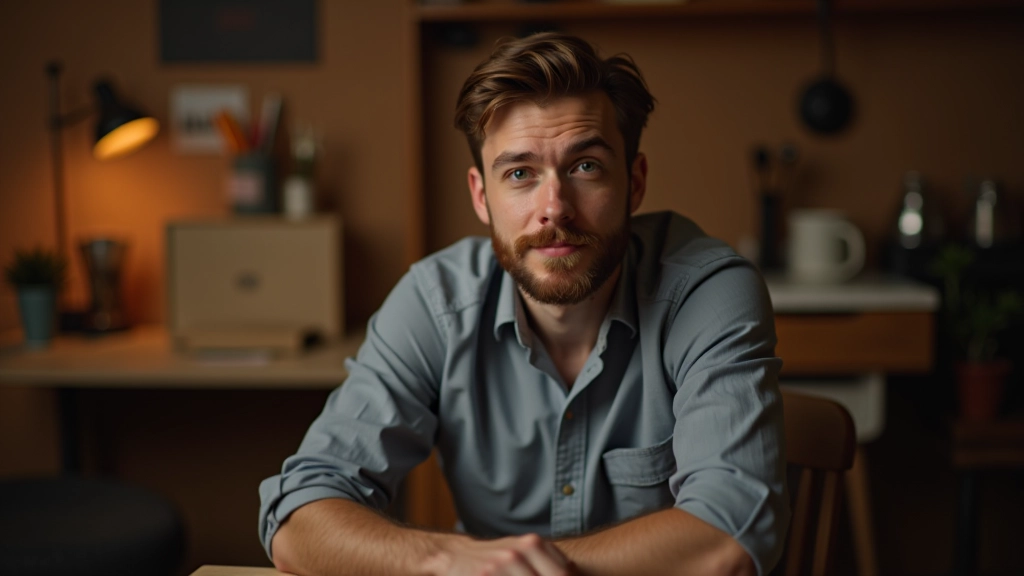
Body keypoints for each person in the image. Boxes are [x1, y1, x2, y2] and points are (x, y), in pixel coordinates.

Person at [259, 32, 788, 576]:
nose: (554, 209)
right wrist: (443, 560)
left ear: (634, 183)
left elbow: (729, 536)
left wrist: (503, 570)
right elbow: (298, 519)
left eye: (585, 166)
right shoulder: (436, 302)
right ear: (481, 196)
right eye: (519, 174)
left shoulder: (707, 291)